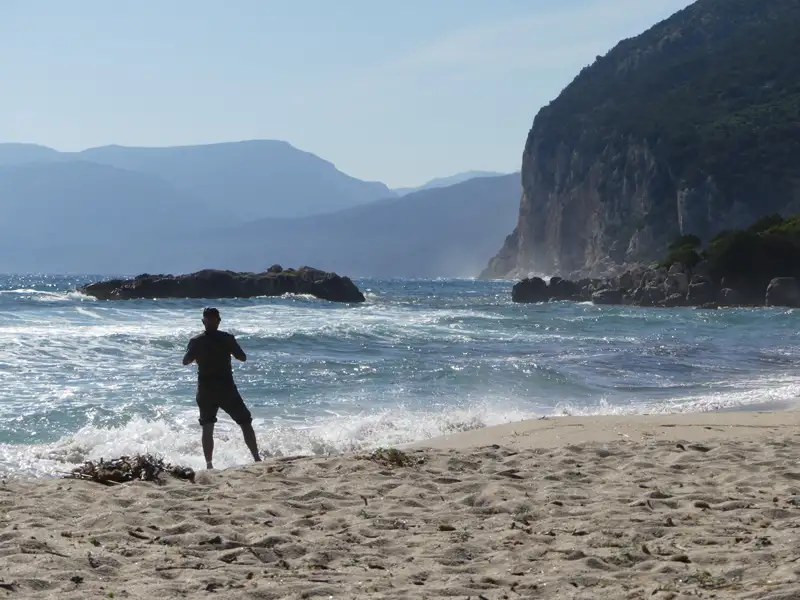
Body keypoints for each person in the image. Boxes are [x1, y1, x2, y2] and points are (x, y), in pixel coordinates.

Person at [183, 307, 261, 469]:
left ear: (203, 321)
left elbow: (185, 361)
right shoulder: (227, 338)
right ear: (219, 321)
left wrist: (200, 355)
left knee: (207, 426)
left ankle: (209, 465)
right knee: (245, 422)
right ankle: (256, 458)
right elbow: (242, 357)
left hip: (205, 389)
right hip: (226, 389)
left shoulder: (196, 341)